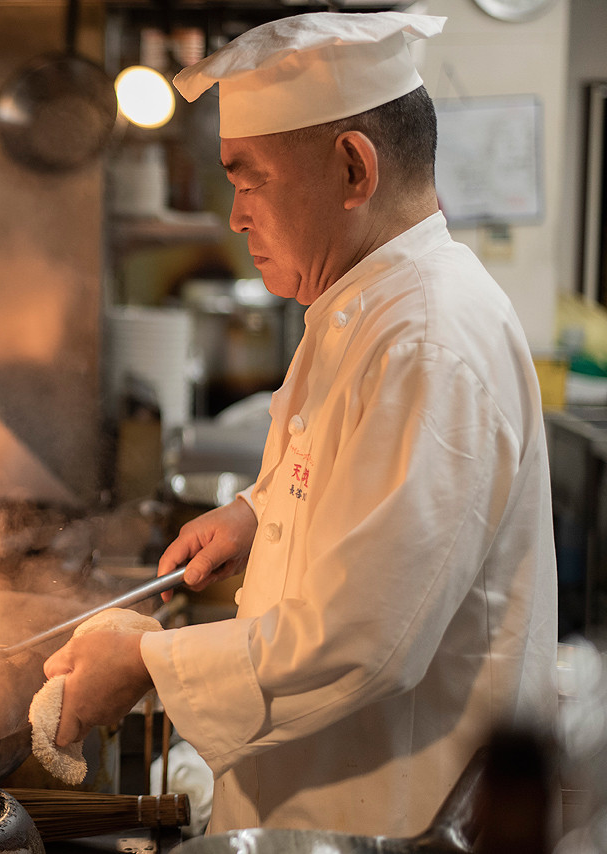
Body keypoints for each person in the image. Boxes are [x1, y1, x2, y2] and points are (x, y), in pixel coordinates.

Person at [43, 11, 558, 837]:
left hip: (389, 822)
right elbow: (347, 474)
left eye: (249, 181)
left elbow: (365, 640)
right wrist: (258, 512)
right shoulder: (360, 306)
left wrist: (148, 664)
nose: (236, 216)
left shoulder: (427, 338)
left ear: (353, 169)